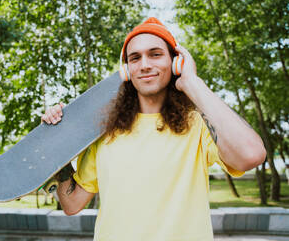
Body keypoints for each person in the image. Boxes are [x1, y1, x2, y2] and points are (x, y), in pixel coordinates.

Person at [41, 17, 266, 241]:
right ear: (127, 70)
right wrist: (55, 144)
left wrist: (192, 82)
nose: (145, 64)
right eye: (135, 58)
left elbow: (251, 155)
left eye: (155, 54)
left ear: (176, 62)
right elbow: (72, 204)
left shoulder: (198, 125)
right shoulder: (105, 130)